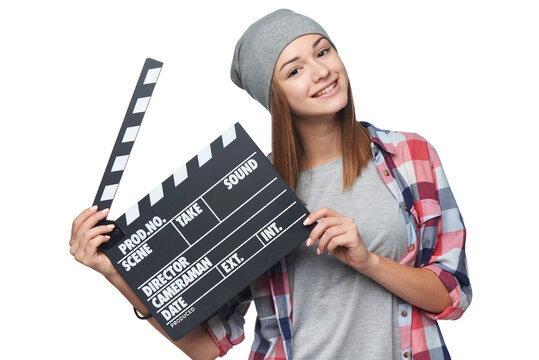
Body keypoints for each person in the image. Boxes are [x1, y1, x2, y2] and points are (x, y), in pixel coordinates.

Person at [69, 8, 471, 360]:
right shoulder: (252, 190)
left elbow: (451, 296)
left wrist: (369, 261)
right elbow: (208, 344)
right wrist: (116, 274)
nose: (321, 71)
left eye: (323, 50)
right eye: (294, 70)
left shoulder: (411, 155)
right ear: (273, 95)